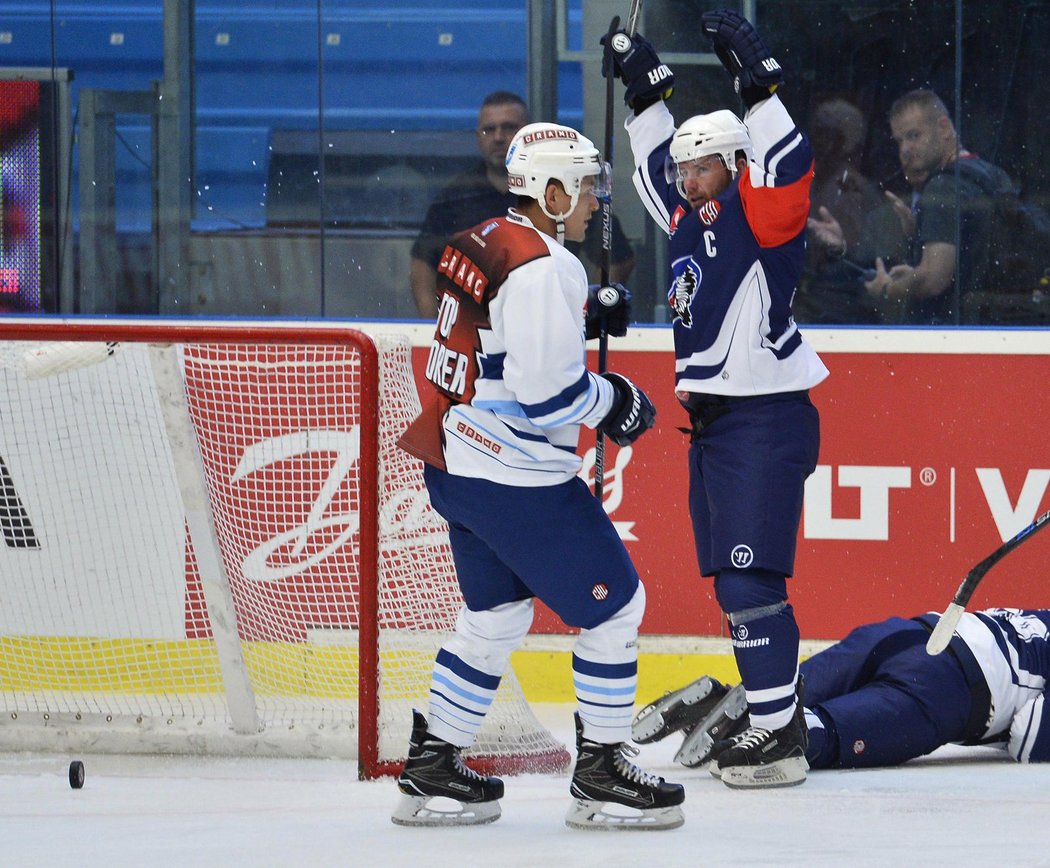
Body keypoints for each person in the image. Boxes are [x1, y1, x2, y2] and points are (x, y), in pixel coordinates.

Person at [392, 120, 684, 830]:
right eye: (585, 186)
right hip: (513, 474)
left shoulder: (485, 237)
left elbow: (499, 337)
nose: (595, 200)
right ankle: (605, 770)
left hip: (456, 462)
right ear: (550, 191)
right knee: (614, 608)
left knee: (495, 616)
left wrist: (582, 313)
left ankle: (433, 766)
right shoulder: (547, 265)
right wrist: (618, 400)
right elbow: (548, 395)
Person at [603, 10, 827, 789]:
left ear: (736, 164)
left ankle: (777, 735)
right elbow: (653, 162)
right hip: (719, 427)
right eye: (687, 169)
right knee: (735, 585)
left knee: (749, 582)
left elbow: (790, 161)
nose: (687, 178)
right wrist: (642, 86)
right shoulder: (685, 214)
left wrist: (760, 87)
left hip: (765, 416)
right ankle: (776, 720)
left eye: (704, 168)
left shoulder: (762, 218)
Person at [632, 606, 1050, 771]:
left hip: (910, 631)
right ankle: (755, 738)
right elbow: (1026, 735)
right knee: (822, 734)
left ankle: (727, 701)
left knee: (783, 693)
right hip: (947, 690)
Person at [409, 91, 636, 318]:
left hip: (545, 319)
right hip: (479, 333)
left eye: (509, 127)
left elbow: (617, 256)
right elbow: (422, 263)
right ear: (478, 136)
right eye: (490, 129)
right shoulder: (457, 194)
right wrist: (434, 325)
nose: (498, 137)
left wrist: (583, 309)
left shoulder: (569, 191)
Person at [859, 89, 1017, 324]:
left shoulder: (943, 187)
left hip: (957, 336)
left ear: (943, 128)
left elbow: (934, 279)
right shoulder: (995, 177)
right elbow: (977, 255)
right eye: (899, 141)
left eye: (913, 136)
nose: (905, 150)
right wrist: (917, 235)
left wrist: (887, 289)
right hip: (1001, 328)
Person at [795, 97, 884, 324]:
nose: (816, 140)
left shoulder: (856, 191)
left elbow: (863, 260)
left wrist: (841, 248)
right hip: (804, 301)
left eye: (826, 133)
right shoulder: (807, 183)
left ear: (843, 141)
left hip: (840, 309)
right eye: (816, 131)